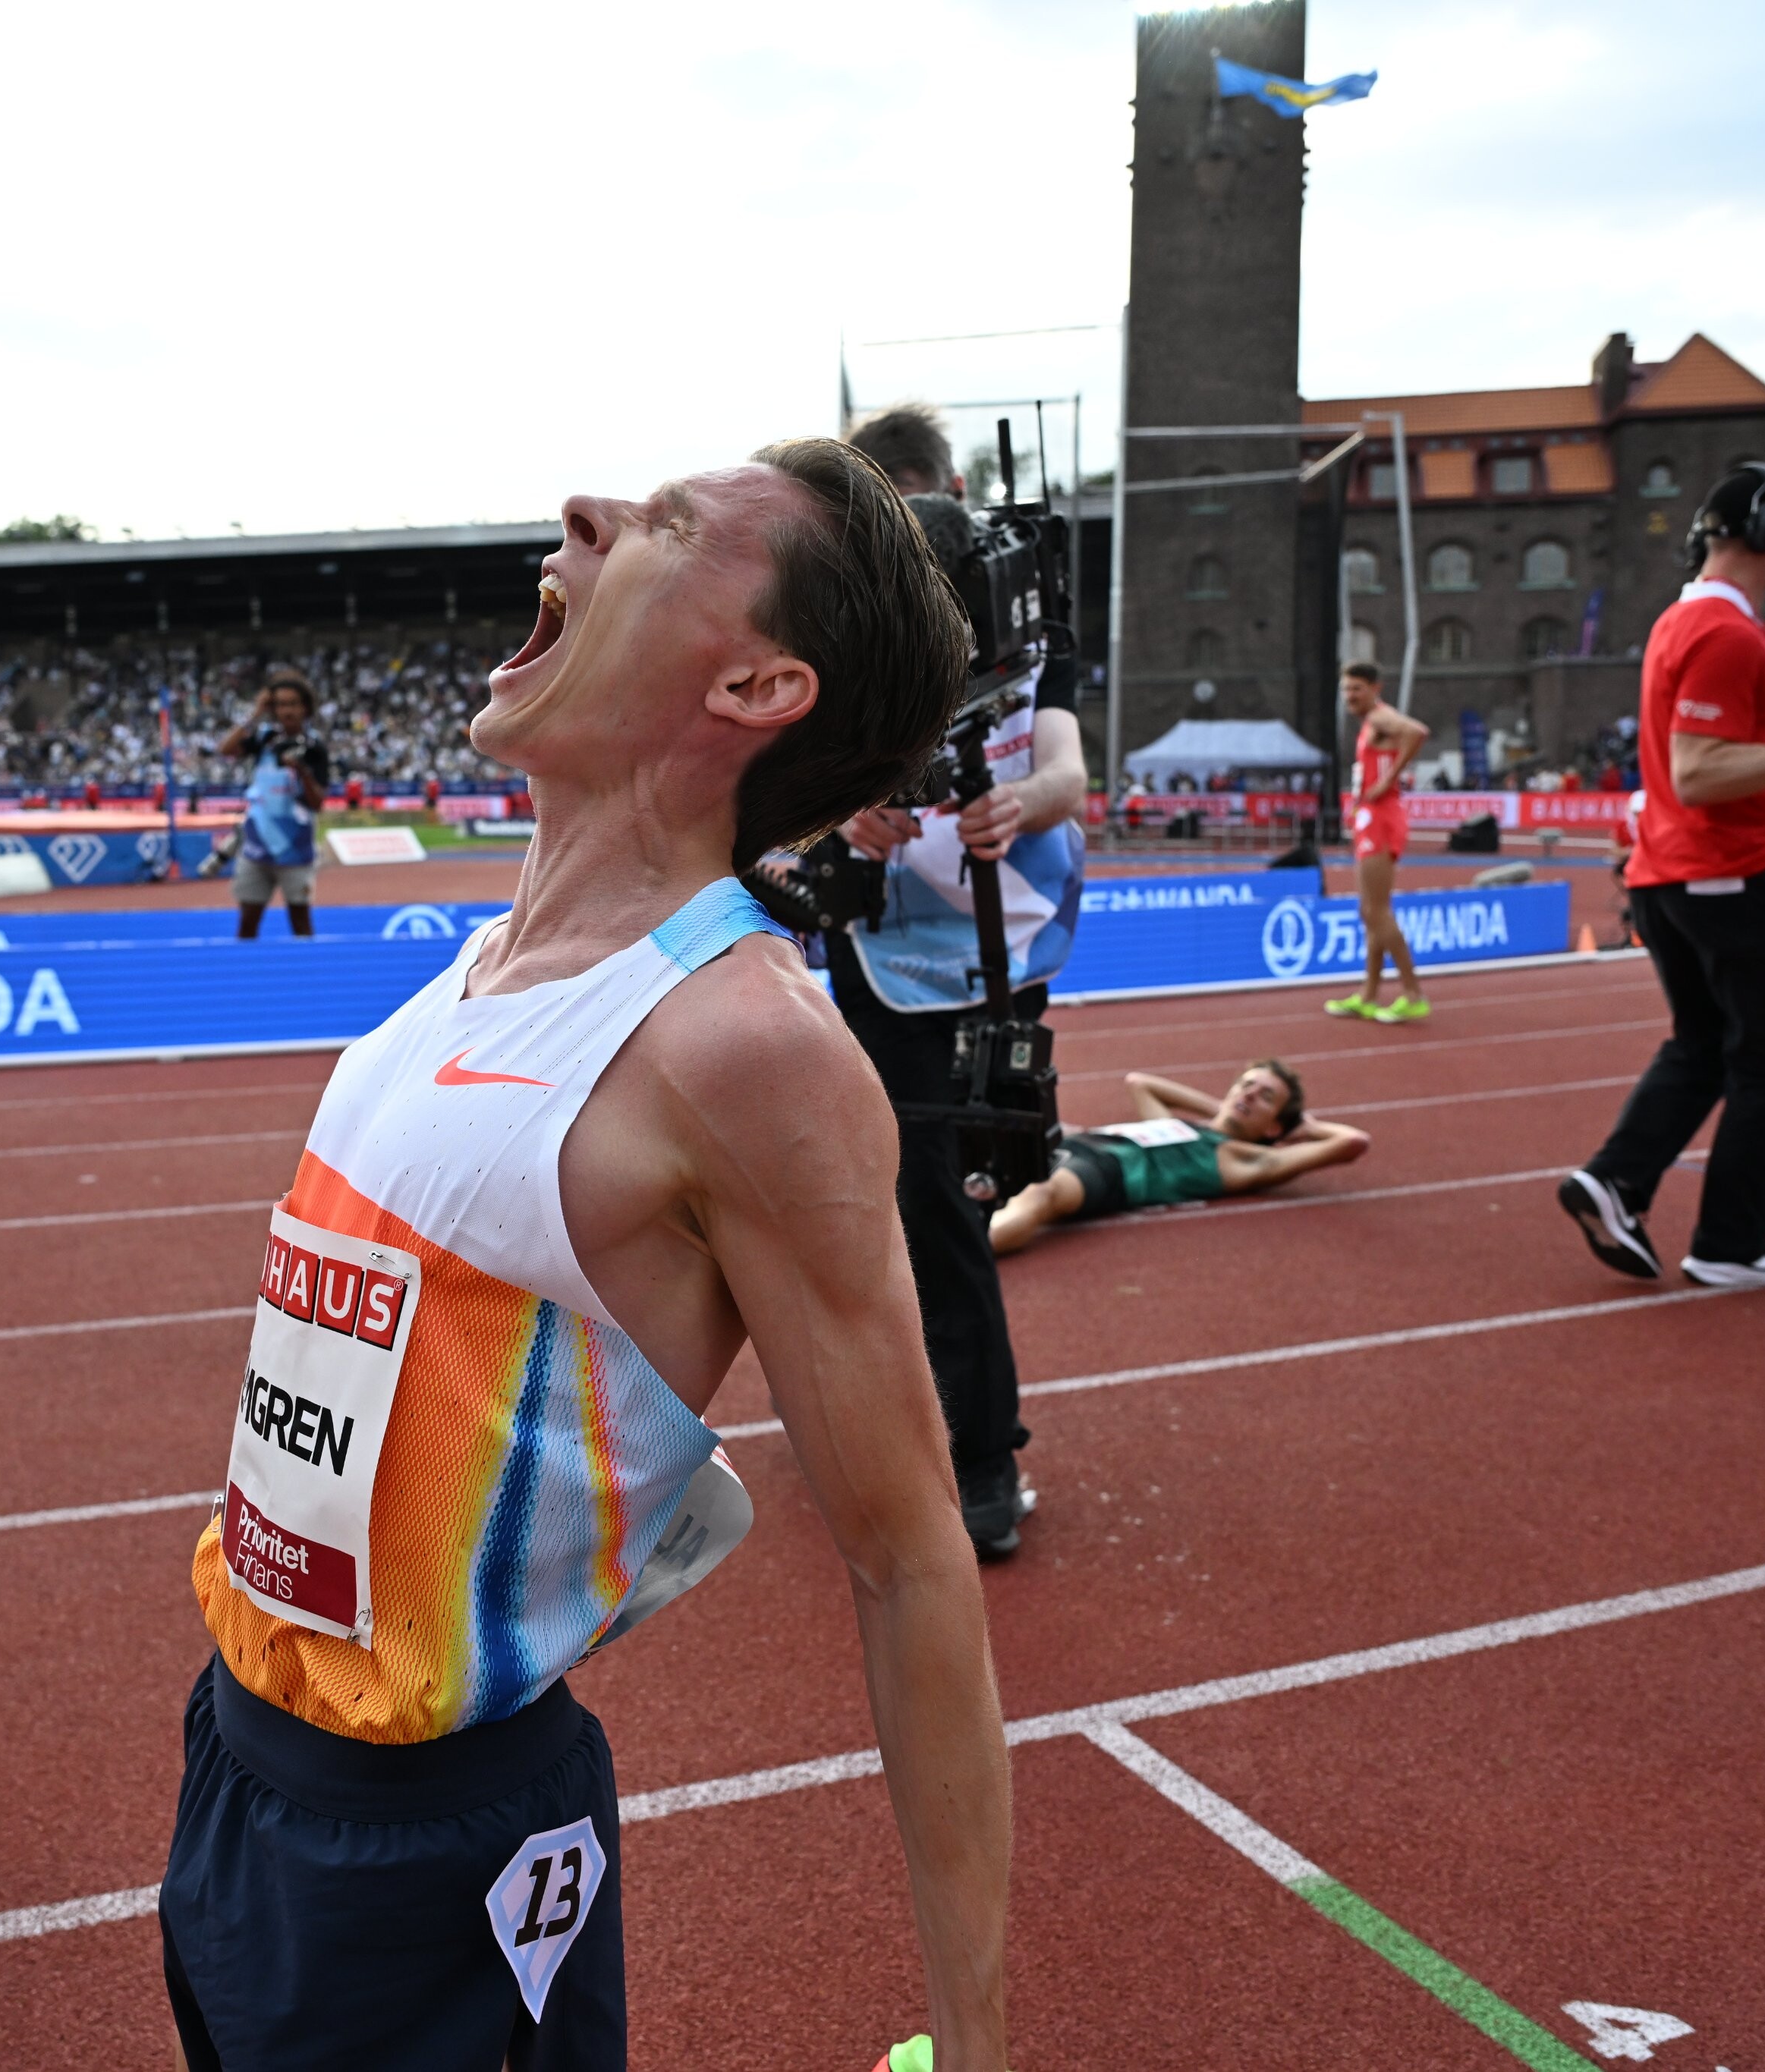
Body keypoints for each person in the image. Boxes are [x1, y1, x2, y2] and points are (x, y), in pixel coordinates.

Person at [162, 443, 1011, 2072]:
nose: (586, 515)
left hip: (431, 1848)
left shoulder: (743, 1046)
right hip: (239, 1764)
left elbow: (912, 1560)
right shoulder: (474, 969)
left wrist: (973, 2045)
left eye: (670, 525)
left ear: (757, 685)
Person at [823, 401, 1089, 1559]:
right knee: (911, 1195)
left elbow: (1069, 766)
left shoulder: (1030, 618)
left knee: (964, 1194)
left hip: (1005, 939)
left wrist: (1022, 800)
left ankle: (974, 1441)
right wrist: (847, 811)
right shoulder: (841, 617)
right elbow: (781, 780)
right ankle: (960, 1441)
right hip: (880, 949)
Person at [1559, 464, 1765, 1289]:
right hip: (1730, 873)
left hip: (1672, 874)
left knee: (1706, 1042)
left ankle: (1615, 1180)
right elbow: (1700, 771)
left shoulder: (1697, 620)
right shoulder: (1724, 632)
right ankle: (1730, 1242)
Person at [988, 1061, 1368, 1253]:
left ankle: (961, 1265)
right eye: (1246, 1085)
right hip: (1076, 1144)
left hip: (1107, 1172)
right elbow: (1140, 1083)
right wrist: (1223, 1110)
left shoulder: (1243, 1159)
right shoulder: (1179, 1128)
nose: (1249, 1094)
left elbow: (1353, 1142)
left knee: (1041, 1194)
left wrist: (1305, 1128)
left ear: (1274, 1128)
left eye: (1265, 1097)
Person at [1326, 661, 1431, 1021]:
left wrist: (1388, 781)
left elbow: (1417, 732)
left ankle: (1413, 993)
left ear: (1375, 689)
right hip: (1371, 817)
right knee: (1369, 910)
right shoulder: (1371, 723)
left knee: (1376, 910)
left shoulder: (1381, 718)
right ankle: (1368, 994)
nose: (1350, 696)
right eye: (1346, 689)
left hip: (1382, 818)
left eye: (1357, 688)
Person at [218, 665, 332, 937]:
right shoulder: (265, 738)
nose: (287, 711)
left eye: (293, 704)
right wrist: (256, 714)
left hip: (296, 851)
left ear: (305, 708)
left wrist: (302, 771)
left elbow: (318, 803)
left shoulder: (314, 747)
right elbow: (226, 749)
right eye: (280, 705)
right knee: (247, 925)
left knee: (301, 925)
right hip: (256, 849)